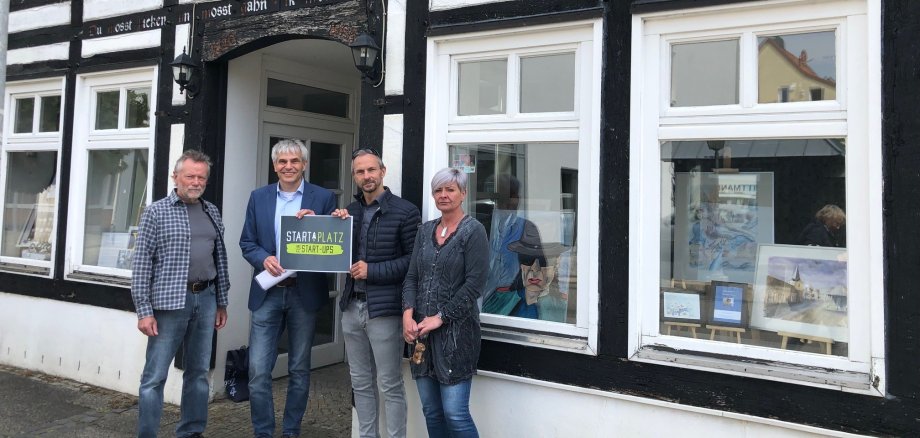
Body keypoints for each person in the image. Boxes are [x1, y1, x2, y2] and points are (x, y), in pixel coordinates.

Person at [239, 139, 336, 438]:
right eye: (282, 161)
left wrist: (323, 225)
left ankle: (291, 430)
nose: (288, 166)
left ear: (304, 164)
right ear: (274, 166)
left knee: (299, 368)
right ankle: (263, 432)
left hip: (303, 293)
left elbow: (333, 244)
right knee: (258, 370)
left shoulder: (324, 197)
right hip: (268, 292)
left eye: (295, 161)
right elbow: (247, 242)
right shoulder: (259, 197)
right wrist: (263, 258)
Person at [132, 150, 230, 438]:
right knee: (154, 377)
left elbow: (219, 259)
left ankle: (191, 432)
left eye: (201, 177)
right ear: (175, 177)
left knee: (198, 373)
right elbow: (141, 263)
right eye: (190, 176)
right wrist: (144, 311)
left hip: (206, 298)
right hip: (169, 303)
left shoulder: (211, 211)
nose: (196, 182)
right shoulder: (156, 212)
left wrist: (221, 301)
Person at [331, 148, 421, 438]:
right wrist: (325, 224)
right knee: (360, 383)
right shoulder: (350, 211)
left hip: (384, 310)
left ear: (383, 171)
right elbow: (335, 251)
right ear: (354, 176)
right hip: (351, 307)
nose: (366, 176)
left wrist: (373, 271)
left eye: (371, 170)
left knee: (390, 384)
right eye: (360, 171)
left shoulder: (406, 211)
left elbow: (413, 262)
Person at [402, 167, 489, 438]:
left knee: (455, 414)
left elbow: (474, 286)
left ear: (463, 194)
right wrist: (407, 314)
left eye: (450, 189)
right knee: (432, 412)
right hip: (421, 337)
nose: (443, 195)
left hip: (457, 336)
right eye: (438, 190)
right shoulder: (424, 231)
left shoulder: (473, 231)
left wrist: (440, 317)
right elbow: (412, 276)